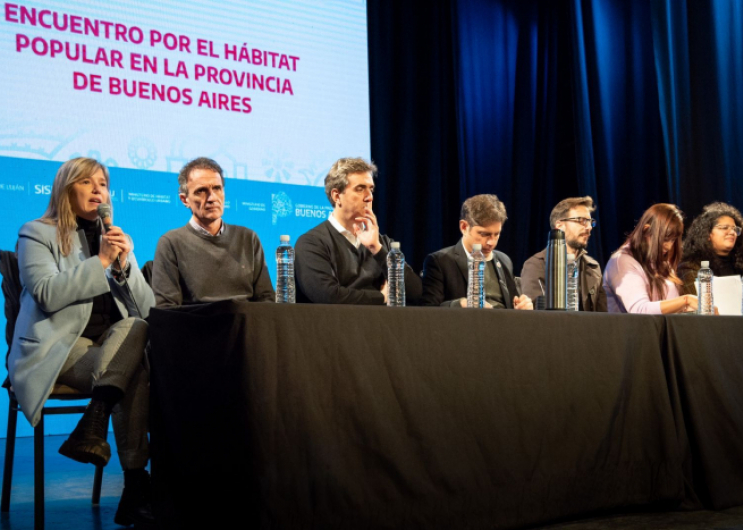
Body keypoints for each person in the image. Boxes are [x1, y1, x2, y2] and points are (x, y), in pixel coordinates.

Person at [8, 157, 155, 527]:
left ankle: (95, 418)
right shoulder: (36, 233)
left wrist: (125, 263)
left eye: (102, 184)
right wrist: (101, 261)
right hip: (56, 347)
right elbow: (45, 293)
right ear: (65, 189)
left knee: (135, 329)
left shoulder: (114, 236)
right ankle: (136, 488)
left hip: (106, 350)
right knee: (132, 372)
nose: (97, 190)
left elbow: (148, 310)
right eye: (86, 182)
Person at [294, 157, 422, 304]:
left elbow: (416, 292)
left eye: (371, 189)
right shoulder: (311, 243)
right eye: (360, 189)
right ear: (337, 196)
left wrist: (377, 250)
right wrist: (382, 297)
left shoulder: (382, 243)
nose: (369, 197)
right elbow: (328, 296)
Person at [152, 157, 274, 307]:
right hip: (197, 326)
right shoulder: (171, 242)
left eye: (217, 188)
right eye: (201, 191)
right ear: (185, 200)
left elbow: (266, 299)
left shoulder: (248, 238)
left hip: (247, 326)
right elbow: (166, 308)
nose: (212, 198)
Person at [421, 194, 533, 309]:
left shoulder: (504, 260)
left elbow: (513, 305)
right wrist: (460, 304)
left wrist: (523, 305)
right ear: (464, 227)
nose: (491, 242)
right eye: (484, 234)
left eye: (496, 234)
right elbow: (429, 310)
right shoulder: (440, 261)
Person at [603, 203, 697, 314]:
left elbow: (671, 309)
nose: (669, 246)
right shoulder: (622, 262)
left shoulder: (661, 262)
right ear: (646, 231)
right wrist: (686, 301)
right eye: (665, 239)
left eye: (673, 240)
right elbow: (640, 310)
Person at [520, 196, 607, 311]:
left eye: (590, 222)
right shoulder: (536, 265)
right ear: (560, 226)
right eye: (582, 221)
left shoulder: (593, 268)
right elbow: (537, 318)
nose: (589, 227)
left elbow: (602, 316)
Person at [677, 202, 743, 294]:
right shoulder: (691, 267)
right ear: (707, 234)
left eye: (735, 229)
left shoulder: (739, 265)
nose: (732, 232)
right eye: (724, 228)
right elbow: (696, 304)